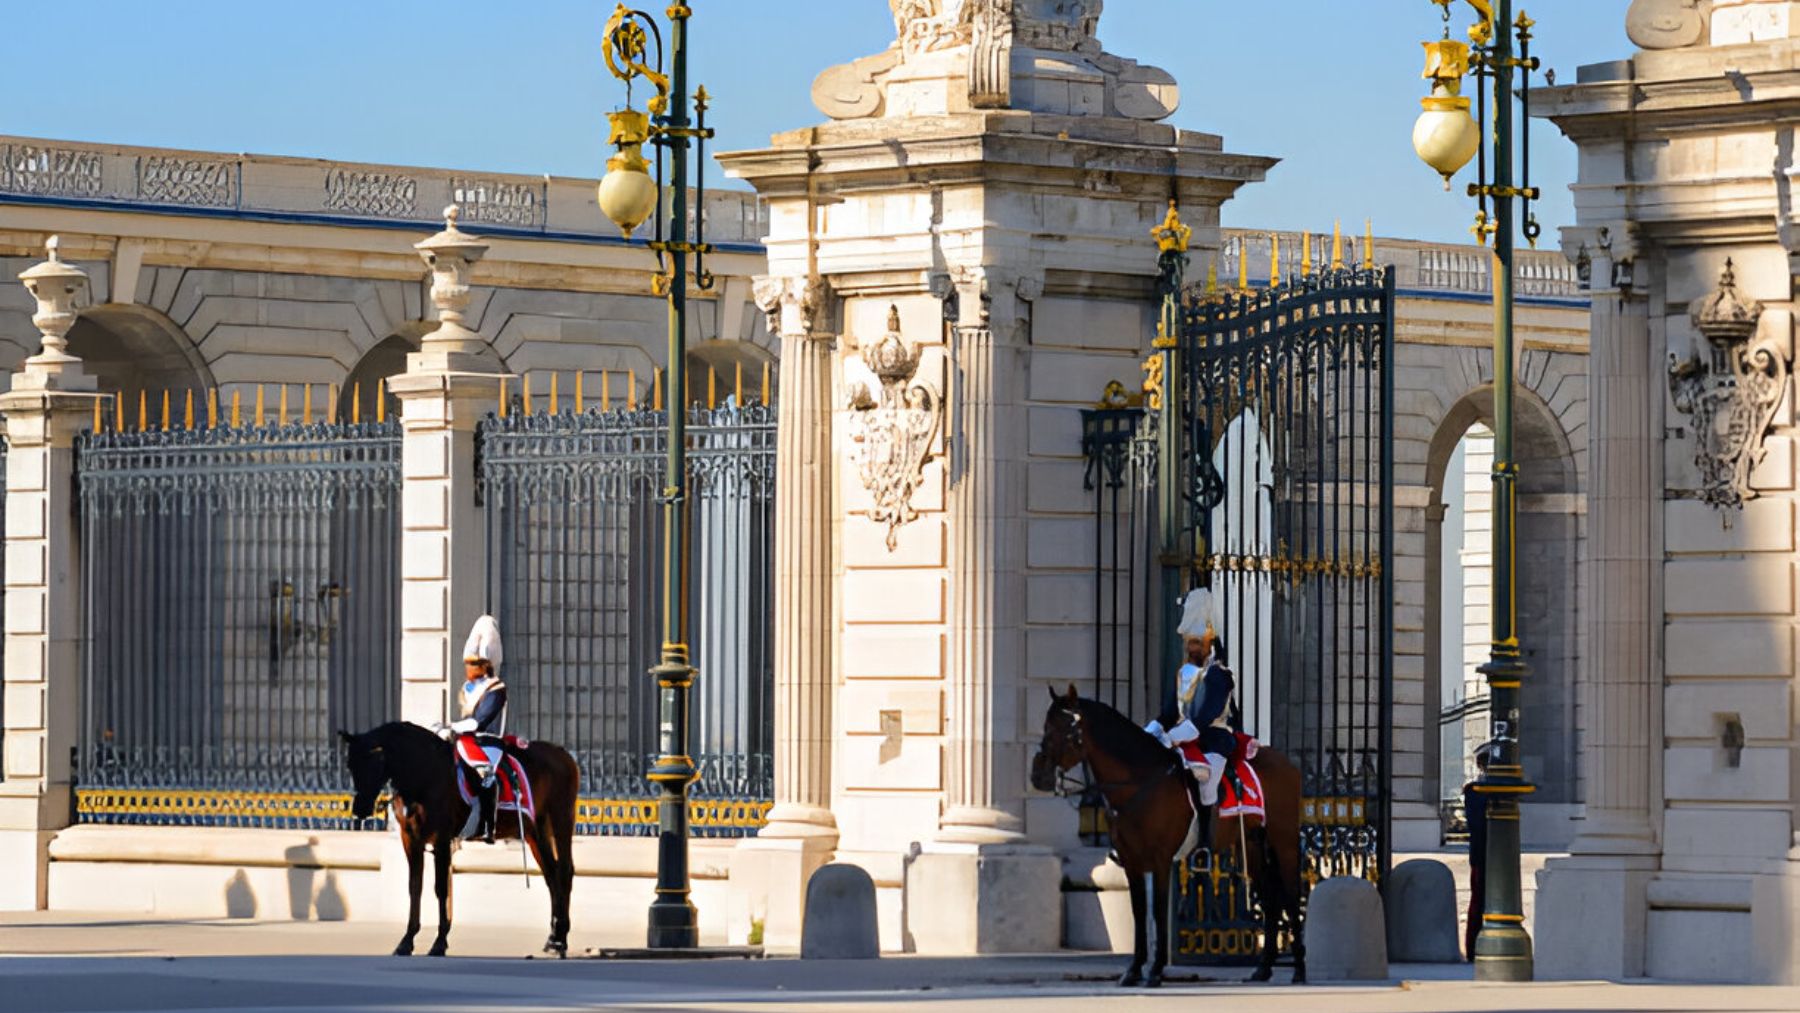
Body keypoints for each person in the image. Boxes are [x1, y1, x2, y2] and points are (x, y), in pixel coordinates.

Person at [1144, 588, 1240, 843]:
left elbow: (1200, 719)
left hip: (1212, 742)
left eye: (1196, 642)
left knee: (1205, 785)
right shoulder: (1183, 673)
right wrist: (1146, 736)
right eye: (1189, 641)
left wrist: (1170, 739)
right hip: (1183, 741)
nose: (1191, 647)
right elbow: (1168, 713)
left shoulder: (1220, 675)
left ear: (1209, 641)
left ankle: (1205, 844)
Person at [436, 615, 508, 844]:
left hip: (487, 742)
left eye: (473, 664)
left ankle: (487, 826)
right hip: (466, 740)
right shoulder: (469, 688)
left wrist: (453, 727)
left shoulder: (496, 689)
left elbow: (481, 721)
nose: (468, 668)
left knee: (484, 775)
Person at [1463, 743, 1492, 961]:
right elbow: (1477, 824)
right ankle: (1473, 949)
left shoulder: (1475, 791)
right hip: (1483, 853)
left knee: (1480, 900)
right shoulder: (1475, 791)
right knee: (1478, 901)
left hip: (1484, 853)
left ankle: (1478, 946)